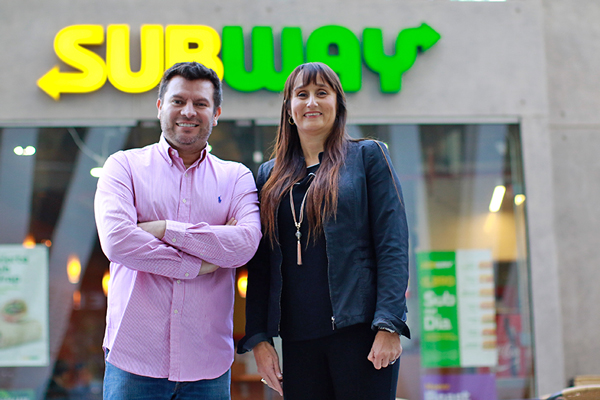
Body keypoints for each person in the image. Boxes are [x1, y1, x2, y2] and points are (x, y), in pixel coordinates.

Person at [237, 62, 410, 400]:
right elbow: (260, 264)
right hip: (298, 340)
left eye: (322, 93)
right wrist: (259, 337)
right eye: (301, 95)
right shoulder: (268, 178)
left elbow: (393, 244)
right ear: (289, 109)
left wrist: (389, 324)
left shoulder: (367, 158)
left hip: (361, 333)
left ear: (338, 104)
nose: (311, 102)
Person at [94, 61, 261, 400]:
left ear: (215, 113)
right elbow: (118, 241)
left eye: (200, 103)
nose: (189, 111)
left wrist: (163, 229)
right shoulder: (123, 167)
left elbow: (244, 245)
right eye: (178, 101)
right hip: (133, 362)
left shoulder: (237, 178)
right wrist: (202, 262)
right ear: (160, 107)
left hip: (207, 366)